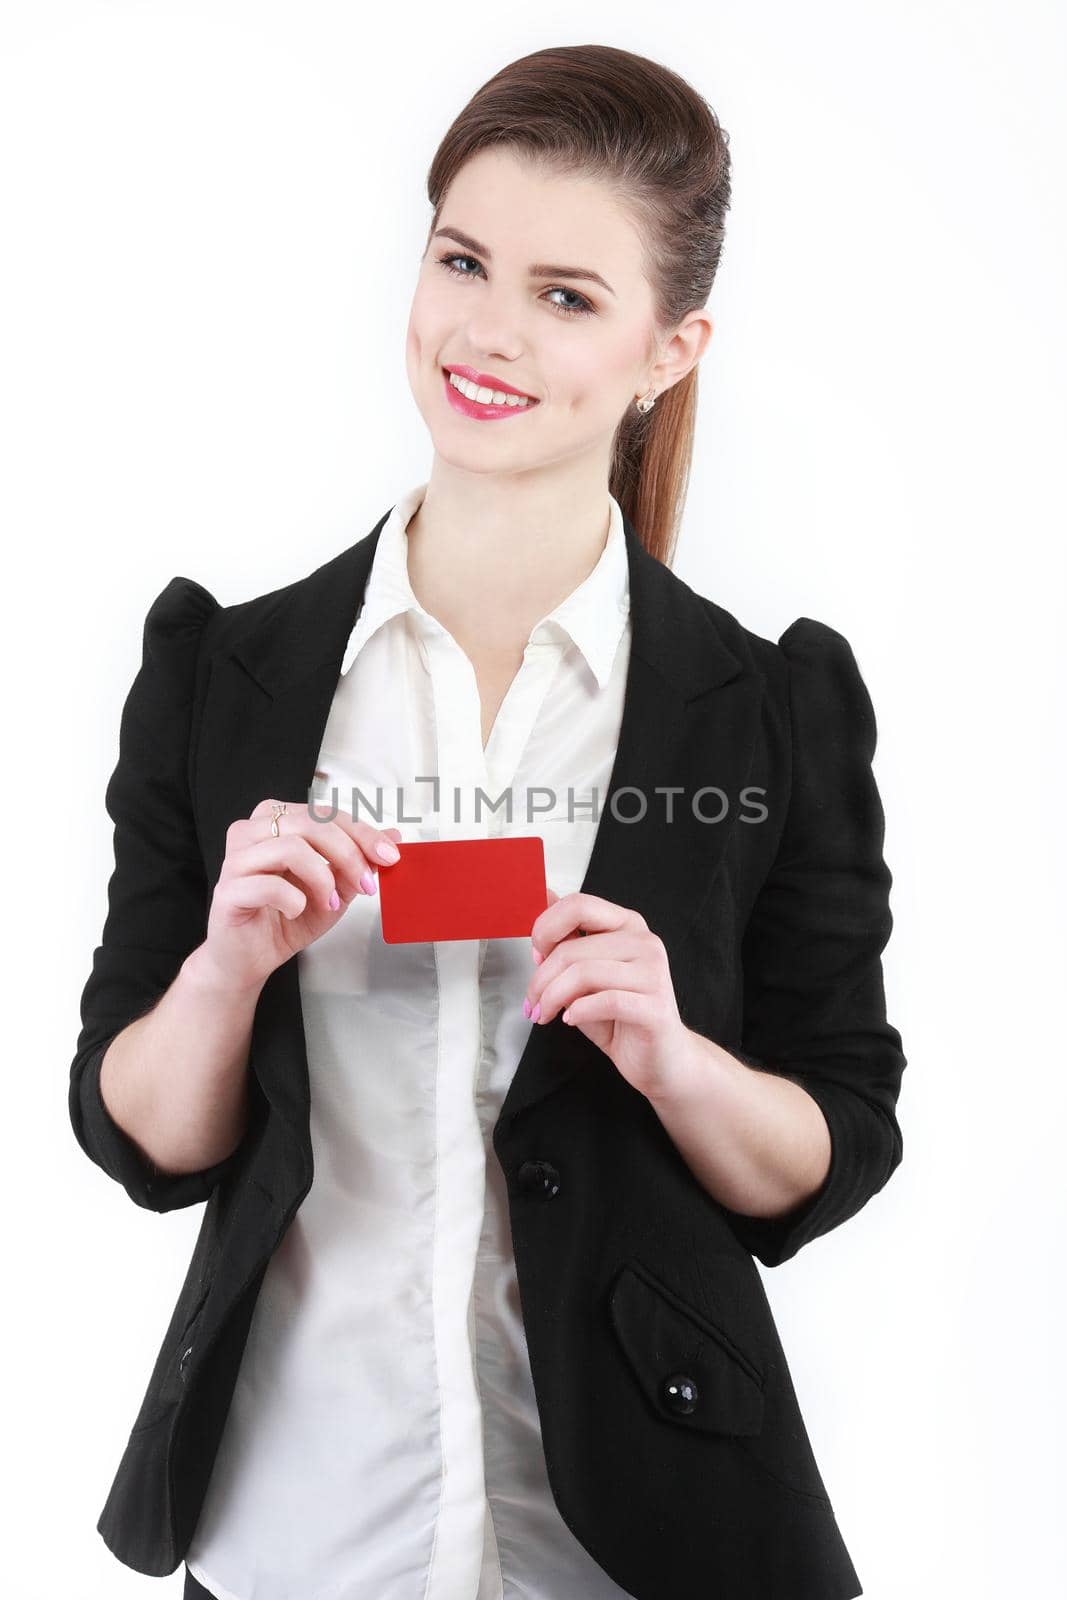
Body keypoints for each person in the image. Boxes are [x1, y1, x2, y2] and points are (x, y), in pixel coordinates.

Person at [70, 43, 907, 1600]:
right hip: (299, 1531)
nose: (488, 330)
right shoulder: (223, 675)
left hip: (640, 1546)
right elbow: (140, 1139)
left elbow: (838, 1142)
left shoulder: (767, 707)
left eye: (568, 295)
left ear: (672, 349)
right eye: (463, 260)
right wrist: (228, 965)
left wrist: (676, 1058)